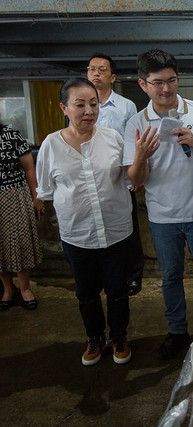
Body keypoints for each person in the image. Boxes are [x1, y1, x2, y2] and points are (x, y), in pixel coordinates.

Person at [124, 49, 193, 360]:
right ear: (143, 85)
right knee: (170, 276)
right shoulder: (136, 123)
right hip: (162, 216)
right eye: (157, 83)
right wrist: (141, 155)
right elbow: (134, 178)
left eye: (171, 81)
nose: (166, 89)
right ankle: (177, 332)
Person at [36, 78, 133, 366]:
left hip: (116, 231)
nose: (89, 110)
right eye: (80, 105)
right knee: (86, 293)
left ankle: (118, 336)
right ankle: (95, 338)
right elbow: (47, 190)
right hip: (77, 234)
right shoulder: (51, 146)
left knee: (118, 290)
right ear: (65, 108)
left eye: (93, 104)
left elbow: (129, 180)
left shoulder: (113, 139)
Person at [87, 53, 144, 297]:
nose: (95, 73)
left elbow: (132, 142)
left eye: (101, 69)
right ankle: (102, 274)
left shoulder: (125, 106)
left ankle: (133, 275)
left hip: (120, 178)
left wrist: (134, 176)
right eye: (91, 69)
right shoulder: (79, 104)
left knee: (129, 229)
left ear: (112, 77)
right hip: (91, 179)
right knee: (97, 227)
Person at [0, 122, 43, 311]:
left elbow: (29, 169)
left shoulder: (12, 135)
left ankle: (25, 289)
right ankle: (8, 290)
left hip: (15, 195)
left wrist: (36, 198)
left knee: (19, 242)